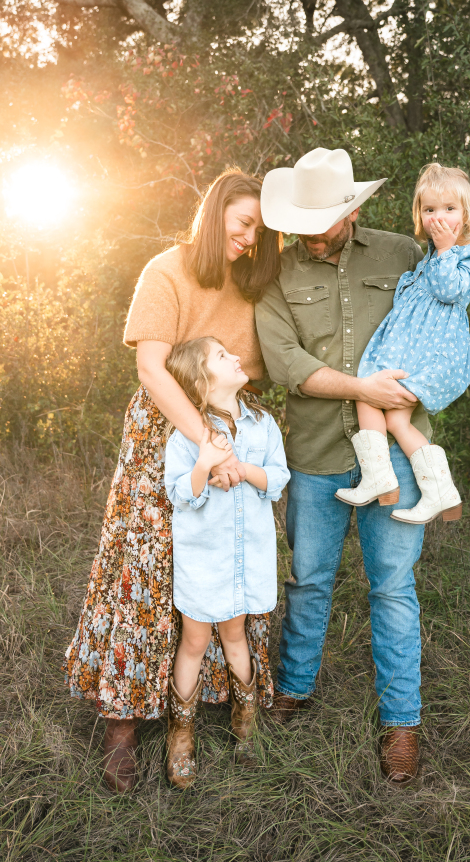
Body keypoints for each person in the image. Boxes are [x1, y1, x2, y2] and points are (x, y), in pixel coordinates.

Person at [64, 169, 282, 793]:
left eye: (260, 232)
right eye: (243, 225)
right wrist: (204, 441)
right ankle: (124, 721)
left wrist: (235, 437)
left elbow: (257, 367)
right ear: (215, 216)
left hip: (231, 429)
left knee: (221, 564)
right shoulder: (167, 269)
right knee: (147, 567)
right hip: (168, 429)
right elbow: (152, 369)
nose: (249, 239)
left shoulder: (253, 285)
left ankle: (219, 699)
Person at [256, 147, 432, 785]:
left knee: (392, 586)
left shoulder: (401, 255)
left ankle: (402, 723)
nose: (313, 228)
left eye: (326, 215)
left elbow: (437, 328)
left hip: (394, 448)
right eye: (304, 217)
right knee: (308, 578)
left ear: (352, 209)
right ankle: (295, 690)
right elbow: (288, 366)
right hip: (317, 454)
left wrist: (416, 391)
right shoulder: (274, 272)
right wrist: (365, 391)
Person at [162, 337, 289, 788]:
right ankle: (181, 735)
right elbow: (179, 492)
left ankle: (245, 724)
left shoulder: (262, 424)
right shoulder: (187, 433)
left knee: (236, 636)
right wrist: (206, 465)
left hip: (243, 558)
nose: (236, 357)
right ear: (202, 380)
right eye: (222, 356)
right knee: (194, 642)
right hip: (205, 561)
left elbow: (277, 476)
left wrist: (238, 468)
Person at [336, 163, 470, 523]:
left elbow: (450, 291)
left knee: (368, 394)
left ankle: (384, 479)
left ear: (465, 215)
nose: (439, 218)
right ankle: (432, 490)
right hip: (411, 354)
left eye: (450, 209)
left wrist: (447, 249)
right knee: (395, 420)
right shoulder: (429, 258)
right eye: (430, 209)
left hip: (433, 357)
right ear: (419, 214)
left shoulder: (468, 254)